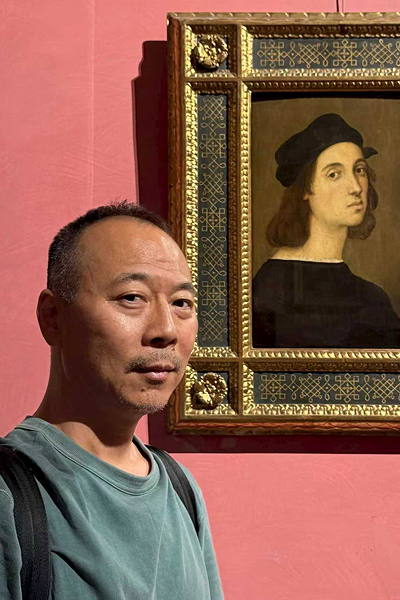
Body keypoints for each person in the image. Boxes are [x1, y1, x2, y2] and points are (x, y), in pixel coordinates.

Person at [0, 202, 224, 599]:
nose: (166, 330)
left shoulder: (180, 489)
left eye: (181, 303)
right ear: (53, 317)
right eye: (132, 297)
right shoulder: (11, 496)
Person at [252, 113, 400, 348]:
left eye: (359, 170)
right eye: (334, 174)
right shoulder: (271, 290)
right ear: (305, 190)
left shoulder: (374, 298)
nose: (355, 187)